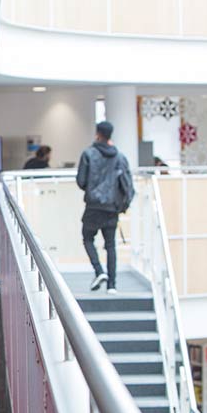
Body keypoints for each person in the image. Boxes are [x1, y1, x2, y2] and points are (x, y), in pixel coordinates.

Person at [76, 121, 134, 295]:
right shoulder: (120, 157)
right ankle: (112, 285)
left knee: (87, 238)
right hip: (112, 207)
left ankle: (99, 271)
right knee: (110, 245)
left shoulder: (88, 154)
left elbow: (81, 181)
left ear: (97, 134)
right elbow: (127, 184)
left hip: (93, 206)